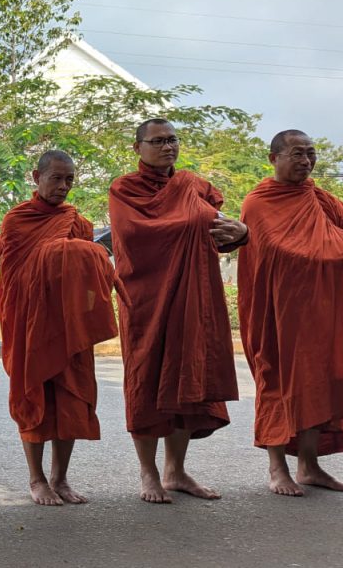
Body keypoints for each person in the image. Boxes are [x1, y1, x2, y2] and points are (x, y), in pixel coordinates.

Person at [237, 129, 343, 496]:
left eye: (310, 154)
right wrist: (334, 252)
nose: (306, 161)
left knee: (317, 384)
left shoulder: (323, 200)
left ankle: (309, 465)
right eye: (296, 154)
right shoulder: (259, 203)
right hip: (277, 313)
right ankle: (277, 468)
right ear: (274, 158)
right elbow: (279, 252)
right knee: (278, 382)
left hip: (321, 314)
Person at [108, 118, 248, 503]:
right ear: (138, 148)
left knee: (186, 378)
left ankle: (176, 471)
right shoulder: (124, 188)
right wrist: (191, 226)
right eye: (157, 141)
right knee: (147, 380)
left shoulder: (192, 184)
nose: (168, 147)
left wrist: (243, 234)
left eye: (172, 140)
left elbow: (221, 233)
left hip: (192, 296)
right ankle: (148, 473)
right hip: (146, 299)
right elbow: (136, 236)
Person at [0, 150, 120, 506]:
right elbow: (18, 275)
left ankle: (61, 478)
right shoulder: (17, 219)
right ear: (36, 177)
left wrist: (86, 257)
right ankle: (37, 480)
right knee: (35, 396)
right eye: (56, 178)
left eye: (69, 180)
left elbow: (85, 276)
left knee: (71, 399)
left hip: (70, 326)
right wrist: (74, 253)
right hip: (31, 322)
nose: (64, 186)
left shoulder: (77, 222)